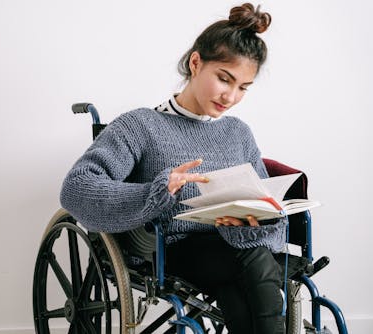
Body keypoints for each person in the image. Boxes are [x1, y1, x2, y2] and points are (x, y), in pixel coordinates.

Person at [60, 3, 286, 333]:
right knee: (253, 260)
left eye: (242, 87)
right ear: (196, 63)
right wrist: (157, 192)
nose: (231, 96)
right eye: (224, 79)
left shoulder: (238, 132)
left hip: (232, 254)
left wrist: (251, 219)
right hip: (171, 249)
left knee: (243, 289)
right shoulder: (140, 125)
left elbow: (266, 208)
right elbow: (77, 188)